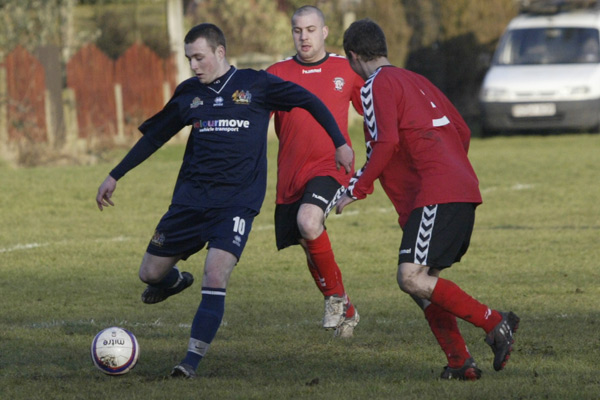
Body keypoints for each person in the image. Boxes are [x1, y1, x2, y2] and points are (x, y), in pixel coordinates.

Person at [95, 23, 353, 379]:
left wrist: (340, 143)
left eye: (199, 57)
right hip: (190, 202)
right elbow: (154, 138)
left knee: (215, 274)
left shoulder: (256, 84)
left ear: (220, 52)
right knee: (149, 274)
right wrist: (115, 175)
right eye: (189, 58)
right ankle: (174, 282)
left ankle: (190, 362)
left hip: (236, 204)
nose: (193, 65)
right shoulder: (189, 93)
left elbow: (309, 100)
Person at [336, 18, 519, 380]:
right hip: (460, 190)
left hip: (438, 192)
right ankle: (460, 362)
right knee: (425, 283)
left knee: (410, 277)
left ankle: (495, 322)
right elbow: (462, 131)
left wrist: (357, 188)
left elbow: (385, 143)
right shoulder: (417, 80)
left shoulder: (375, 85)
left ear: (353, 57)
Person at [266, 5, 363, 338]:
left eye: (310, 30)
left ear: (324, 32)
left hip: (331, 168)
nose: (303, 37)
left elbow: (374, 112)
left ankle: (334, 299)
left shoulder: (346, 69)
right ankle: (346, 307)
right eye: (297, 31)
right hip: (290, 174)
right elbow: (254, 122)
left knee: (308, 221)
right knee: (308, 241)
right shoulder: (276, 73)